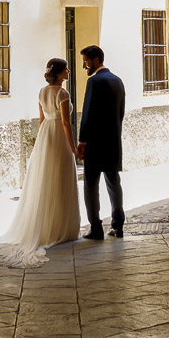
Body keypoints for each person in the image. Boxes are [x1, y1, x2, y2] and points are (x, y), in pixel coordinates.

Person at [0, 58, 80, 267]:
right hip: (58, 137)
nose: (69, 71)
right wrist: (72, 147)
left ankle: (48, 227)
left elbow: (42, 120)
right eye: (66, 69)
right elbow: (65, 122)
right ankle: (60, 229)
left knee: (45, 179)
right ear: (59, 72)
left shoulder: (41, 92)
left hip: (46, 136)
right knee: (61, 179)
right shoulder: (62, 94)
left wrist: (41, 144)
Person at [76, 45, 126, 239]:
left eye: (86, 62)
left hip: (95, 143)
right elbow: (120, 113)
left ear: (96, 60)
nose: (84, 66)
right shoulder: (118, 81)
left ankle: (96, 227)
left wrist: (83, 141)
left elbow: (87, 113)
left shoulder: (94, 81)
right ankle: (118, 225)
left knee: (90, 184)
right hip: (113, 141)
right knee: (114, 183)